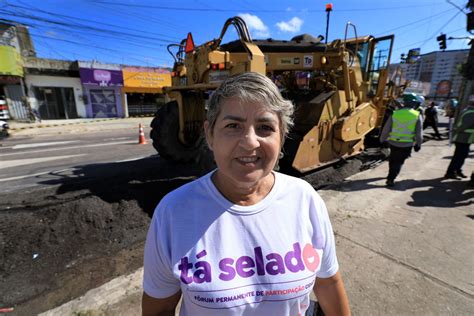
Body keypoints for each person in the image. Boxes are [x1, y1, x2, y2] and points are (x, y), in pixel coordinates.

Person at [142, 72, 350, 316]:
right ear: (209, 135)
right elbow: (160, 309)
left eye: (265, 127)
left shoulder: (305, 199)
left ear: (281, 136)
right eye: (233, 126)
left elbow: (328, 283)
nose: (250, 142)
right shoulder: (174, 212)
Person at [380, 94, 423, 187]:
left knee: (392, 160)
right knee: (399, 162)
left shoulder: (395, 113)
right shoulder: (417, 115)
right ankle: (391, 179)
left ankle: (390, 175)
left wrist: (382, 139)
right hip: (406, 144)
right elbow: (419, 132)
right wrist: (418, 144)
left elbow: (386, 129)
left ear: (404, 103)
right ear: (413, 104)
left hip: (393, 142)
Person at [444, 103, 474, 179]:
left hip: (465, 138)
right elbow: (463, 126)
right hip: (463, 138)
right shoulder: (471, 113)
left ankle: (457, 170)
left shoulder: (469, 111)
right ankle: (450, 172)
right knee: (458, 157)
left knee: (462, 156)